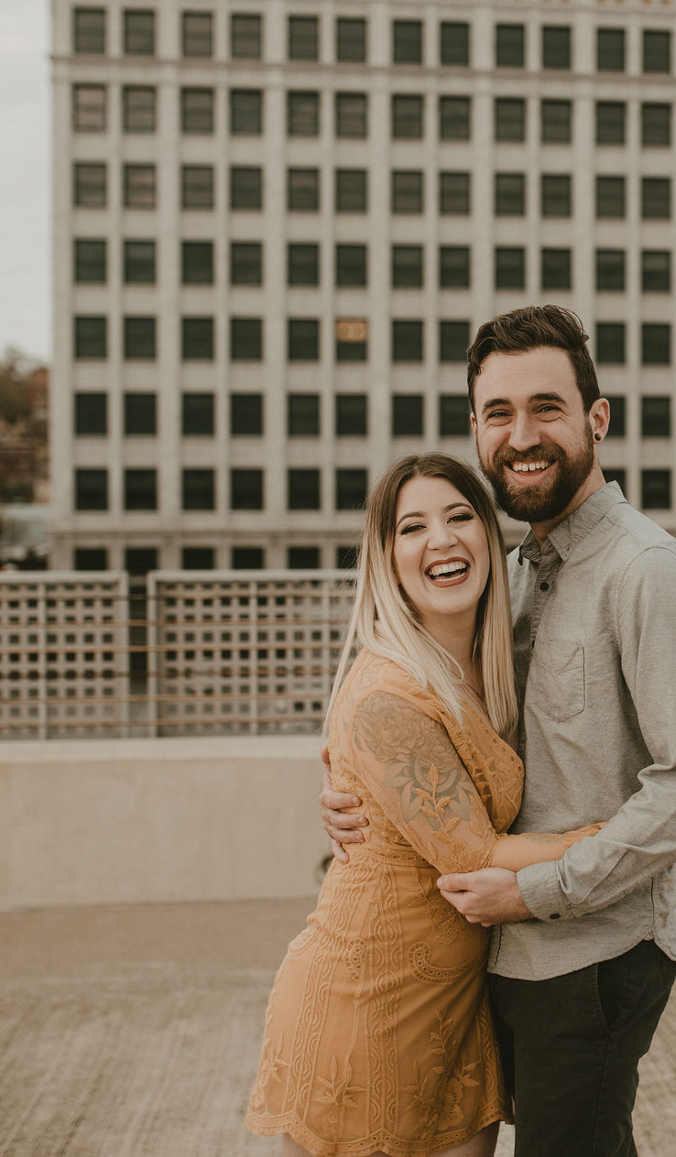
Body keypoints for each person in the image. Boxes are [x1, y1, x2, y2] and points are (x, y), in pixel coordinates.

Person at [322, 306, 676, 1157]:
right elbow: (421, 713)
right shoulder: (506, 576)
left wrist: (539, 891)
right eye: (499, 414)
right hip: (498, 950)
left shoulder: (645, 575)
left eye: (546, 407)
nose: (523, 435)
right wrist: (355, 787)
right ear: (476, 430)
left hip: (592, 950)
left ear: (596, 418)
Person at [246, 452, 606, 1157]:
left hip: (455, 1005)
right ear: (387, 560)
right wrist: (625, 836)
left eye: (459, 516)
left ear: (487, 537)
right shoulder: (387, 694)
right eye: (412, 527)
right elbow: (473, 854)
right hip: (368, 1003)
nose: (439, 539)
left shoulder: (488, 662)